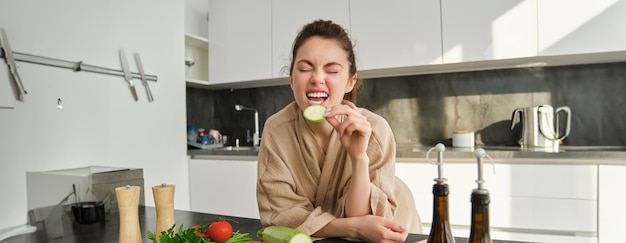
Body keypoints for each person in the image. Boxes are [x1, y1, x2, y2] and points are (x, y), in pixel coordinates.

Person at [256, 19, 422, 242]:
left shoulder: (374, 130)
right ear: (292, 79)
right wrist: (349, 227)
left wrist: (359, 158)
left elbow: (368, 222)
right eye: (305, 69)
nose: (316, 79)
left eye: (332, 70)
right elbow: (280, 216)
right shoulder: (277, 130)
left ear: (350, 82)